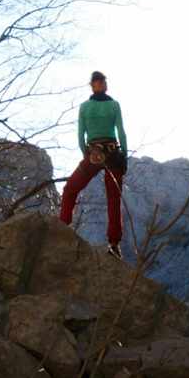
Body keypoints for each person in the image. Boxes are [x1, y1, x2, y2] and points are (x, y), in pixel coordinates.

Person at [59, 70, 128, 258]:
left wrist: (86, 155)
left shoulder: (84, 107)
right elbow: (121, 132)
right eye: (101, 82)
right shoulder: (114, 105)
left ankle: (62, 226)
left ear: (92, 85)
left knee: (70, 189)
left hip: (93, 153)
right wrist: (125, 156)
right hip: (113, 153)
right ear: (104, 84)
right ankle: (114, 244)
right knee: (113, 199)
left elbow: (80, 136)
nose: (100, 84)